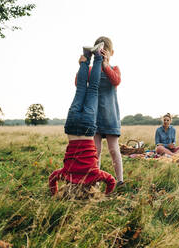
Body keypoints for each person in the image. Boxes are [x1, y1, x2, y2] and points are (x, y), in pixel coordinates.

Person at [49, 42, 116, 196]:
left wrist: (106, 195)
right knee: (81, 88)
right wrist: (54, 193)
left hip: (87, 128)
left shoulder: (94, 175)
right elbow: (52, 178)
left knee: (92, 88)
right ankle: (86, 55)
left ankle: (97, 56)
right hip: (71, 126)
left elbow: (111, 181)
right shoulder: (66, 175)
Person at [75, 37, 124, 186]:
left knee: (114, 149)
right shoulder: (91, 70)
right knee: (95, 151)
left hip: (110, 115)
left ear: (112, 53)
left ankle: (120, 180)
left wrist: (105, 64)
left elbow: (116, 81)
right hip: (94, 116)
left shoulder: (114, 69)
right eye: (100, 52)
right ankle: (94, 181)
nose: (103, 54)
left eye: (106, 52)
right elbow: (79, 83)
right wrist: (82, 65)